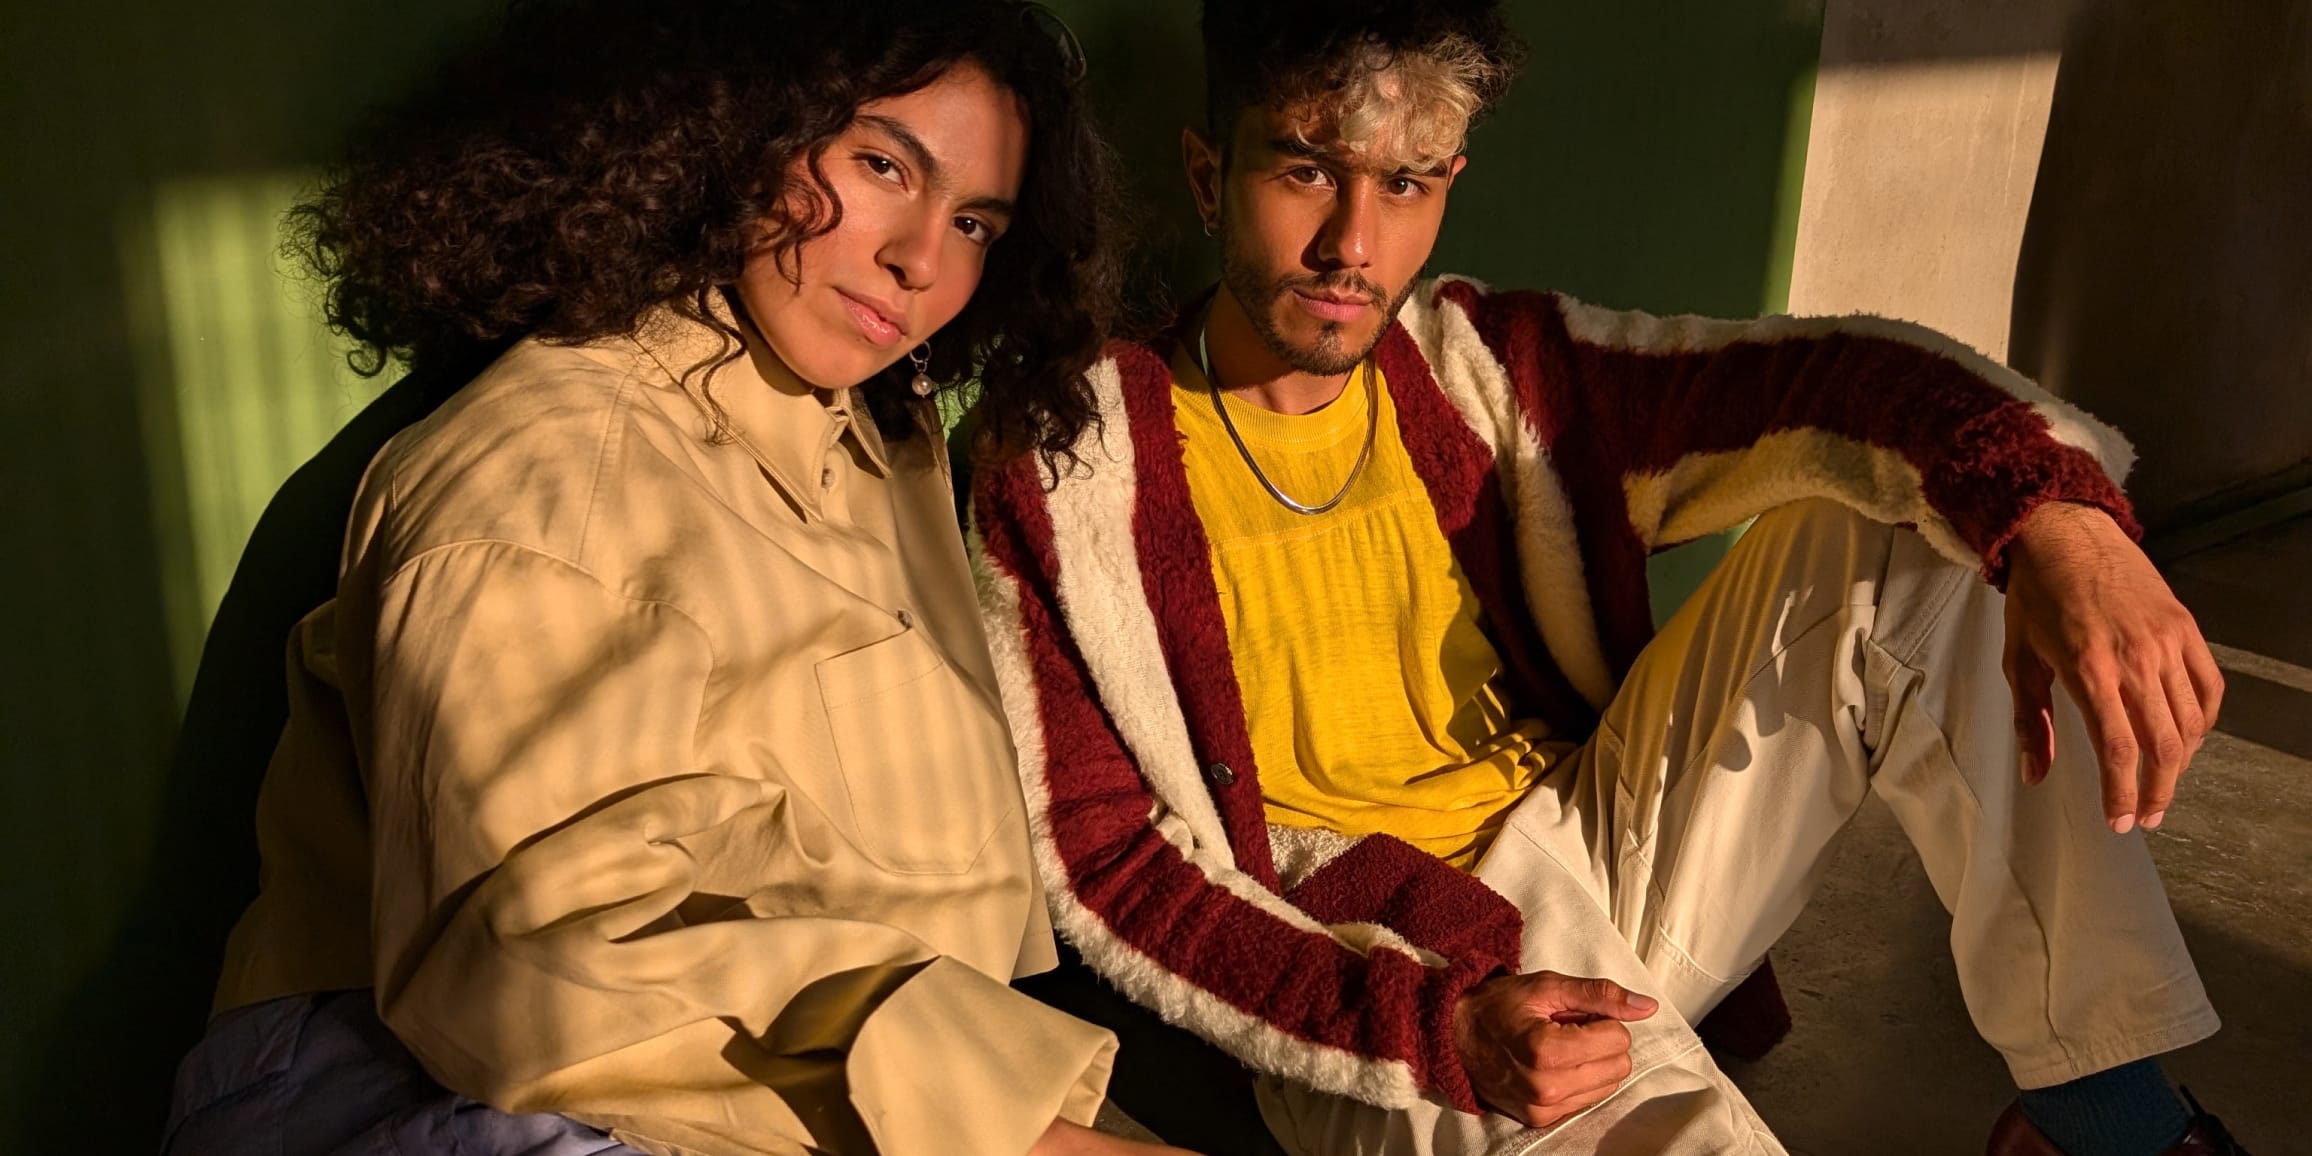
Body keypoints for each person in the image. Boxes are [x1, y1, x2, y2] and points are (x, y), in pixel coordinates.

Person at [968, 1, 2246, 1153]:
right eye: (1307, 170)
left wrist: (2064, 527)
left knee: (1928, 544)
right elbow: (1108, 869)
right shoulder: (1068, 460)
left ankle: (2098, 1120)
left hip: (1600, 842)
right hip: (1386, 966)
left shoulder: (1484, 364)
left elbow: (1841, 375)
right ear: (1210, 173)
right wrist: (1423, 1024)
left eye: (1406, 184)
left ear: (1449, 185)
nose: (1352, 243)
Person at [162, 2, 1194, 1154]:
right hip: (405, 1084)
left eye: (975, 224)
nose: (920, 259)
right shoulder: (546, 466)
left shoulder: (877, 437)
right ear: (731, 131)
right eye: (878, 164)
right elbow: (534, 979)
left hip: (789, 1086)